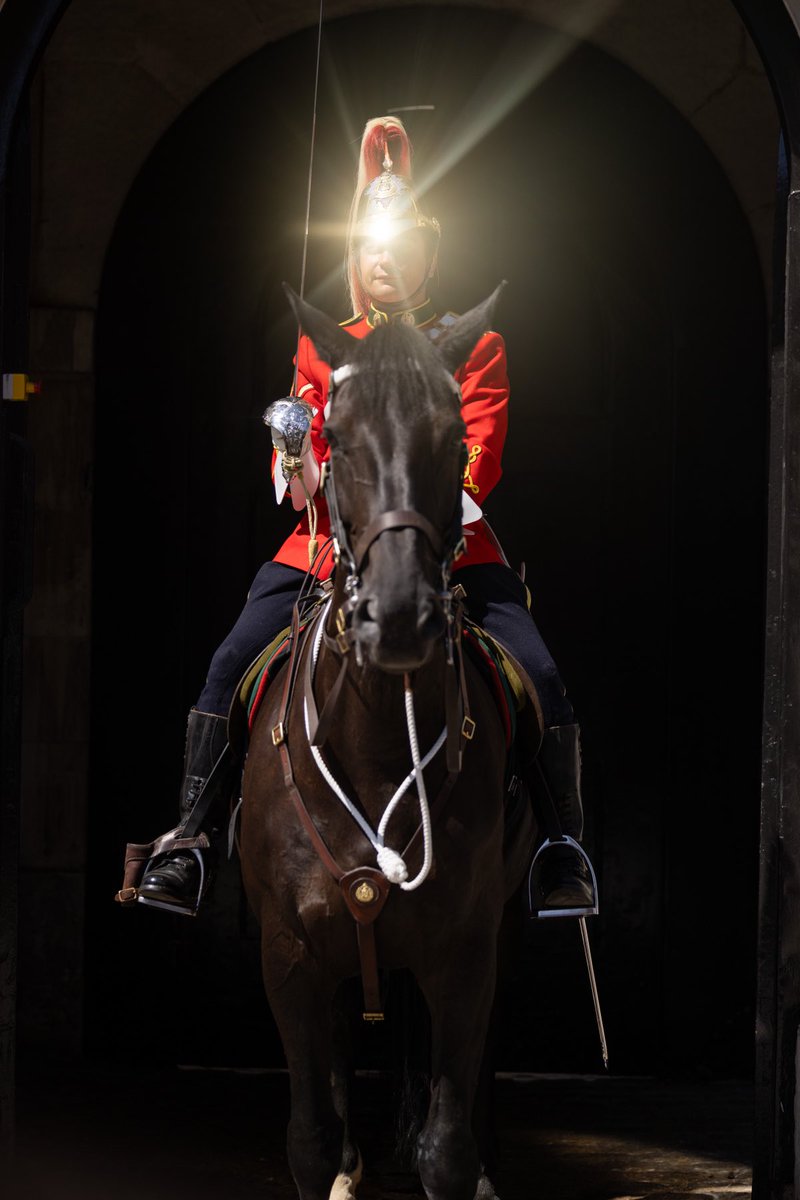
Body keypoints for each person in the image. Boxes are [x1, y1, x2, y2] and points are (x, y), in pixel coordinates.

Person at [135, 116, 595, 917]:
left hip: (447, 544)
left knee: (541, 675)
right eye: (372, 249)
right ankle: (189, 839)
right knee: (230, 661)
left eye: (402, 247)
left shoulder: (470, 344)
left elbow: (479, 455)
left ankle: (561, 846)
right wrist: (291, 448)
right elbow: (306, 469)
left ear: (428, 256)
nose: (386, 261)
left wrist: (406, 523)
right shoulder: (325, 344)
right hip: (326, 546)